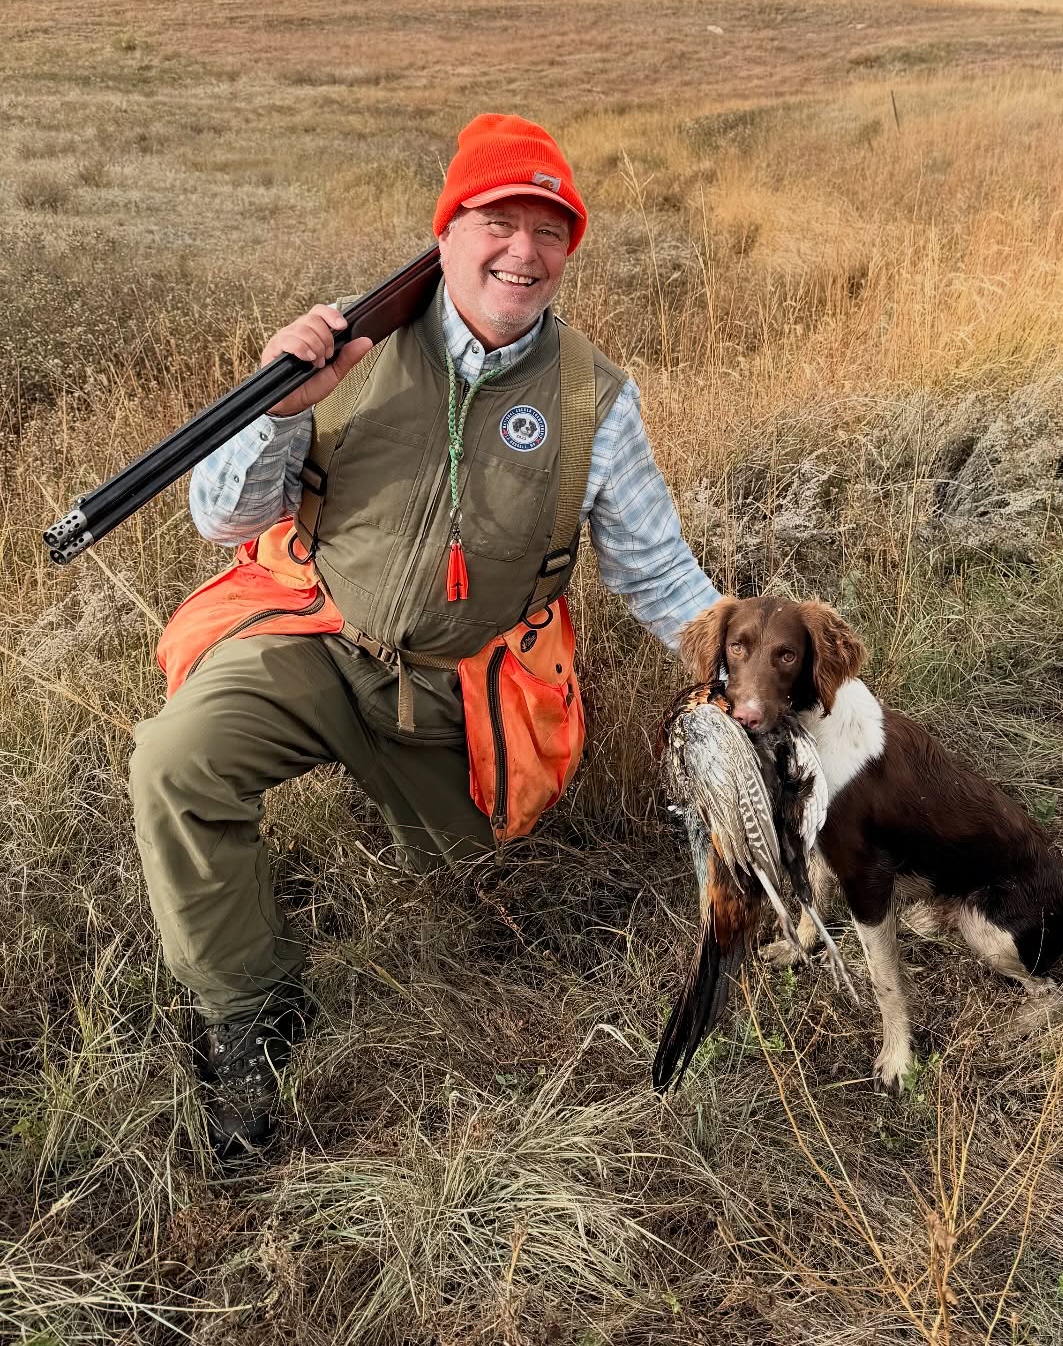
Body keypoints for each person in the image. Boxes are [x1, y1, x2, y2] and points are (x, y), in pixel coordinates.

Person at [130, 113, 720, 1157]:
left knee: (478, 869)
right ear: (445, 230)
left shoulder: (595, 400)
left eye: (550, 231)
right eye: (498, 220)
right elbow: (222, 519)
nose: (524, 253)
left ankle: (441, 823)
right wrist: (277, 407)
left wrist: (746, 670)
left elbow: (657, 571)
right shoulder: (342, 352)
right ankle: (251, 1014)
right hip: (316, 636)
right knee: (174, 766)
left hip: (473, 692)